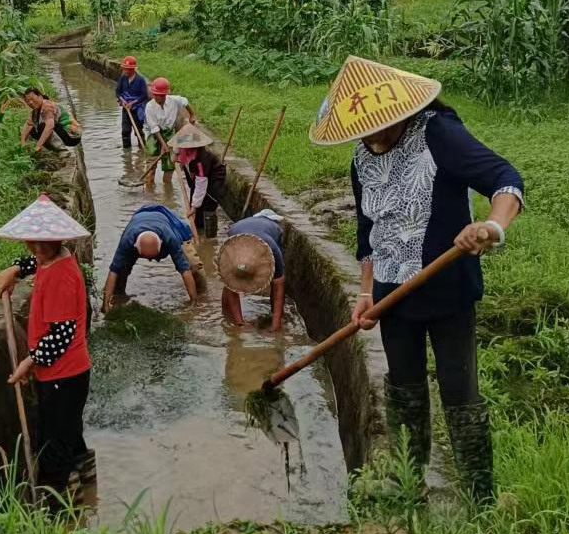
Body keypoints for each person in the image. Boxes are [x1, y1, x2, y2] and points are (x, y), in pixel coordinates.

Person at [310, 55, 524, 504]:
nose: (373, 136)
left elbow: (504, 179)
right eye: (363, 130)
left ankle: (479, 495)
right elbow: (368, 230)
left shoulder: (437, 133)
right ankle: (411, 482)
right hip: (393, 295)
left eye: (381, 126)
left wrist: (491, 227)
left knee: (459, 391)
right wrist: (366, 292)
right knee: (403, 387)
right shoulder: (360, 157)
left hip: (448, 289)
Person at [0, 194, 94, 508]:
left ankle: (57, 507)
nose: (37, 249)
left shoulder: (61, 276)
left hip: (63, 374)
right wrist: (15, 270)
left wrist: (30, 361)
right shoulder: (54, 257)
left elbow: (62, 333)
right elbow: (36, 262)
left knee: (52, 442)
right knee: (68, 430)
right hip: (67, 373)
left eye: (43, 243)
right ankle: (84, 475)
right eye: (31, 243)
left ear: (58, 238)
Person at [102, 204, 199, 311]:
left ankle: (198, 294)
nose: (150, 261)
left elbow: (184, 270)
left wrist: (193, 303)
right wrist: (105, 305)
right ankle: (119, 295)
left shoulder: (170, 238)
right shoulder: (128, 240)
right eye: (147, 258)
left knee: (193, 265)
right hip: (139, 222)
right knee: (122, 268)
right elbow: (114, 270)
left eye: (152, 257)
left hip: (164, 221)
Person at [217, 210, 286, 331]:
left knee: (276, 279)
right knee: (231, 275)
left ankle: (274, 313)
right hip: (236, 233)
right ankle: (228, 314)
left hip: (260, 236)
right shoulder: (233, 242)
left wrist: (275, 325)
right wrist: (240, 325)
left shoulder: (272, 247)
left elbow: (279, 284)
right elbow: (229, 283)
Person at [168, 123, 226, 238]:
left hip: (213, 178)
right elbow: (176, 153)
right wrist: (175, 156)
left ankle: (210, 238)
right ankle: (197, 231)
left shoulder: (202, 159)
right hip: (197, 177)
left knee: (208, 205)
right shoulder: (183, 150)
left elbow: (201, 184)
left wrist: (194, 206)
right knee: (195, 208)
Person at [142, 77, 196, 183]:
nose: (159, 98)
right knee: (151, 163)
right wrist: (163, 144)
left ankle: (167, 191)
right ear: (153, 94)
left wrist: (192, 115)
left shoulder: (174, 100)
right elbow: (154, 128)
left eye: (161, 95)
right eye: (156, 95)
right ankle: (149, 189)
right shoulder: (149, 107)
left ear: (166, 94)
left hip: (169, 133)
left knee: (169, 165)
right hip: (154, 135)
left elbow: (185, 102)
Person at [116, 56, 147, 149]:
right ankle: (127, 153)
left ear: (133, 69)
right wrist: (122, 100)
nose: (126, 71)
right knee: (125, 131)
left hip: (137, 109)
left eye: (128, 70)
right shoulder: (123, 78)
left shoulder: (140, 80)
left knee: (138, 131)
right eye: (125, 69)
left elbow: (144, 95)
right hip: (126, 108)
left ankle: (142, 148)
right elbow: (118, 92)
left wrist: (133, 103)